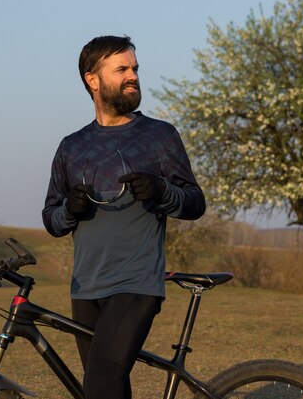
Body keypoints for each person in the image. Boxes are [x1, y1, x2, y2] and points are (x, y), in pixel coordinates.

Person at [41, 35, 205, 399]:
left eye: (135, 68)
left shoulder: (159, 136)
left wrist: (163, 192)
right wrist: (70, 209)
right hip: (85, 288)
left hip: (136, 282)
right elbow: (51, 219)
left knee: (98, 384)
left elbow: (195, 202)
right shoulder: (72, 146)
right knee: (110, 388)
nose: (132, 76)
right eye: (122, 69)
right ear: (93, 79)